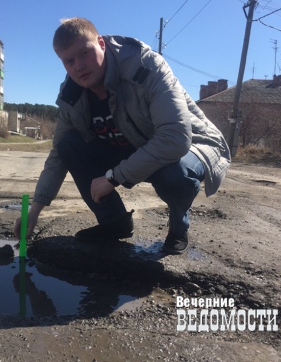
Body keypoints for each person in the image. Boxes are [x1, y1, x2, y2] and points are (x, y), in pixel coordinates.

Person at [14, 18, 230, 255]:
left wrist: (113, 177)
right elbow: (58, 155)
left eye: (84, 53)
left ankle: (179, 226)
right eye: (69, 61)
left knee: (174, 175)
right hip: (135, 147)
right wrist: (32, 213)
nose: (79, 66)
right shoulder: (71, 96)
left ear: (101, 44)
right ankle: (114, 224)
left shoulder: (146, 66)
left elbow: (175, 137)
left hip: (191, 145)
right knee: (69, 145)